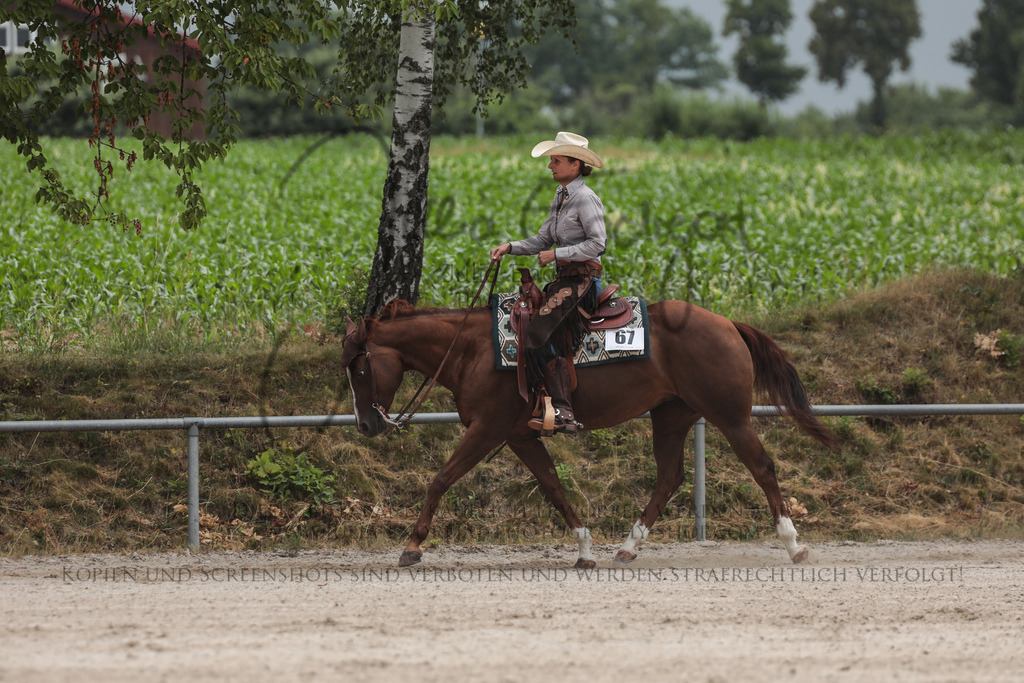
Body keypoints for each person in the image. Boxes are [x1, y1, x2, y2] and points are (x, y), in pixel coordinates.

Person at [489, 131, 606, 435]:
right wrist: (510, 247)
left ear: (575, 164)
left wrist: (557, 254)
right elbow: (542, 239)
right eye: (551, 160)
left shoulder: (585, 198)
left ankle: (564, 411)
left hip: (582, 281)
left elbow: (598, 244)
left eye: (556, 160)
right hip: (566, 280)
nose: (550, 166)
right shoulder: (561, 196)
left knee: (538, 332)